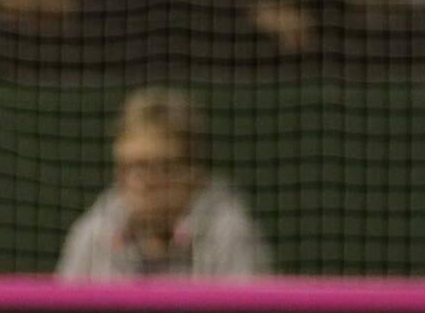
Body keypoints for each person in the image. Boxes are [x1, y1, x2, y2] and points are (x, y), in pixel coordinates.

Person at [56, 86, 273, 278]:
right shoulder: (95, 231)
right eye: (126, 167)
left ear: (193, 170)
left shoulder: (228, 232)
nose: (138, 182)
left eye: (155, 168)